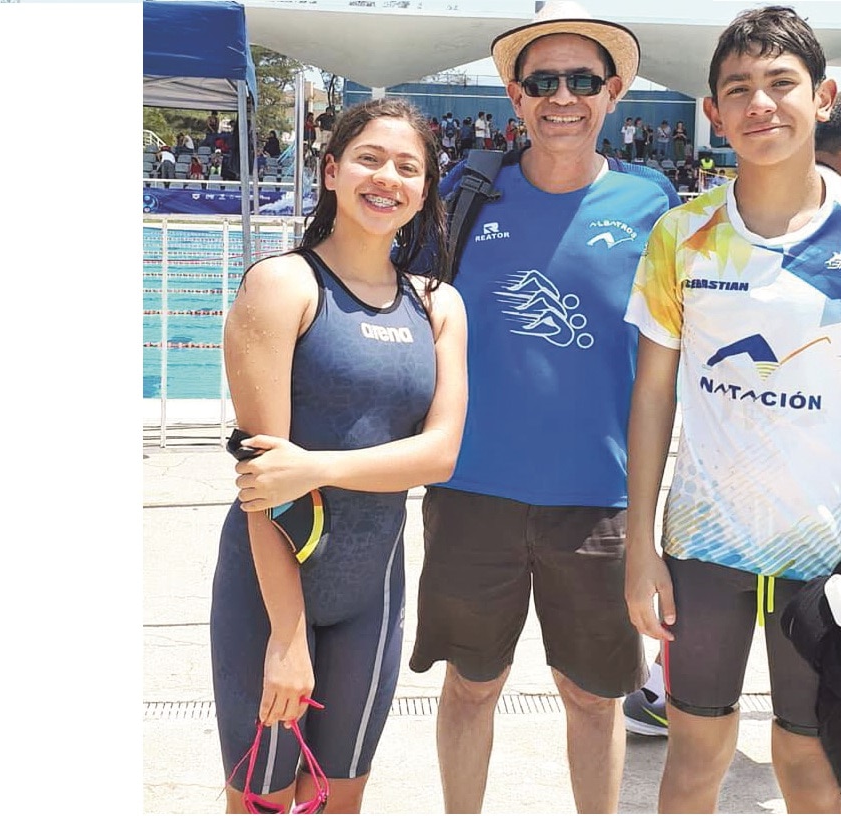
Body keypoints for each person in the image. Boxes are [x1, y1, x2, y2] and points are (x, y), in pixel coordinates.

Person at [622, 8, 841, 811]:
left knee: (809, 758)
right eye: (739, 89)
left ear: (824, 96)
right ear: (714, 112)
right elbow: (653, 393)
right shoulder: (681, 235)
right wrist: (638, 546)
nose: (760, 103)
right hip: (704, 545)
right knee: (697, 751)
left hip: (825, 552)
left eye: (781, 84)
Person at [402, 3, 679, 813]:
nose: (563, 96)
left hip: (599, 502)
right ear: (516, 98)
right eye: (542, 81)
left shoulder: (650, 204)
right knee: (471, 686)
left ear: (614, 92)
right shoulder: (464, 193)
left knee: (593, 696)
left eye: (582, 80)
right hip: (472, 489)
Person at [210, 97, 468, 814]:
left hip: (372, 595)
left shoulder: (439, 305)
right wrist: (286, 640)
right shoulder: (283, 285)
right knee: (262, 803)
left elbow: (440, 454)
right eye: (369, 159)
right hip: (268, 594)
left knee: (337, 800)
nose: (387, 178)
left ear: (424, 192)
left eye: (408, 167)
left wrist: (317, 465)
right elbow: (266, 487)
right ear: (331, 171)